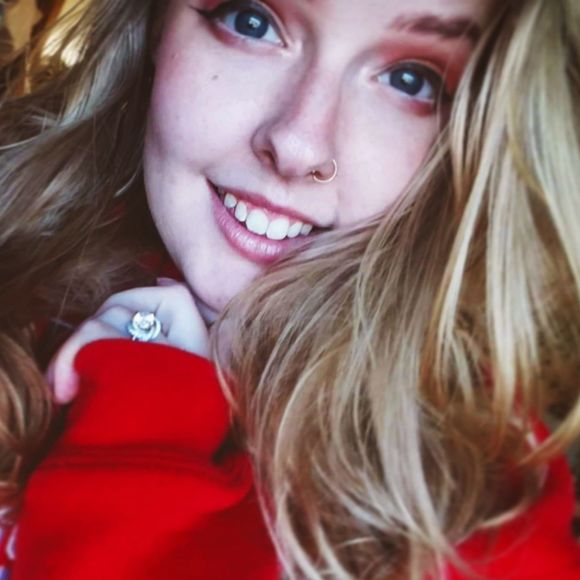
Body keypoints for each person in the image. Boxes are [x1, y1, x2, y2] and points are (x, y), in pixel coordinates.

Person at [0, 0, 579, 578]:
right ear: (155, 24)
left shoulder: (479, 501)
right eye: (251, 21)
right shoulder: (20, 264)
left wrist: (144, 427)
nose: (298, 147)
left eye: (411, 79)